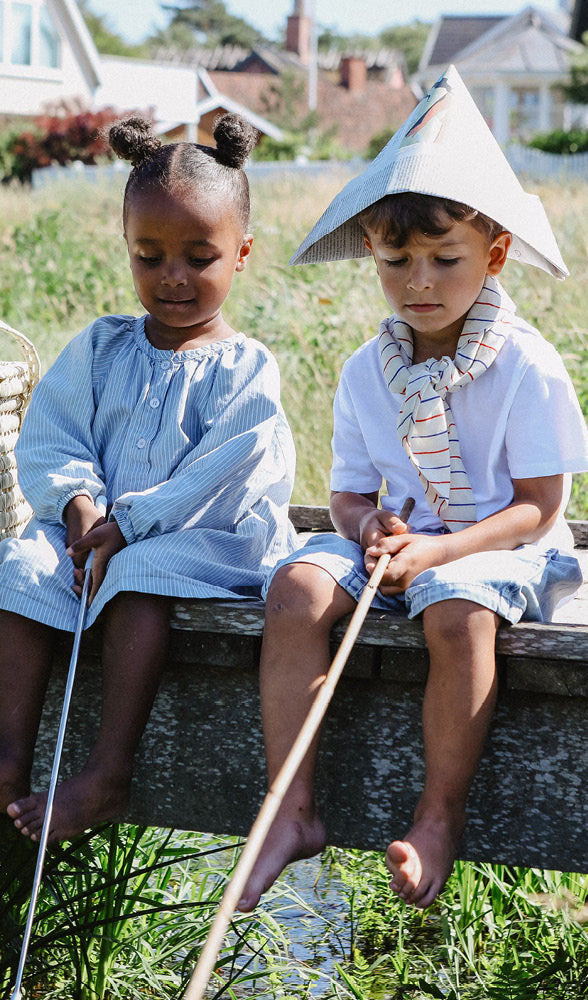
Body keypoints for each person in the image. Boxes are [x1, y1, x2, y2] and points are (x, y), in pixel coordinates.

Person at [238, 66, 588, 912]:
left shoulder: (526, 364)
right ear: (372, 250)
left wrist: (438, 553)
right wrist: (367, 529)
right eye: (397, 260)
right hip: (402, 547)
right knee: (294, 589)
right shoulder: (368, 370)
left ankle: (439, 814)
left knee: (456, 609)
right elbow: (350, 496)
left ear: (495, 254)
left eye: (445, 259)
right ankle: (288, 812)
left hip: (503, 546)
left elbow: (541, 508)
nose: (419, 282)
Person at [0, 113, 298, 844]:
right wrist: (78, 507)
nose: (173, 277)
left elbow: (219, 470)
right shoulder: (101, 346)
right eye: (149, 255)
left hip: (207, 540)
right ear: (127, 247)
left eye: (200, 257)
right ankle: (7, 759)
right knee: (23, 562)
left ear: (242, 253)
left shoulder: (247, 368)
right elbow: (53, 434)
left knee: (139, 573)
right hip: (96, 533)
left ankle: (108, 773)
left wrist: (128, 524)